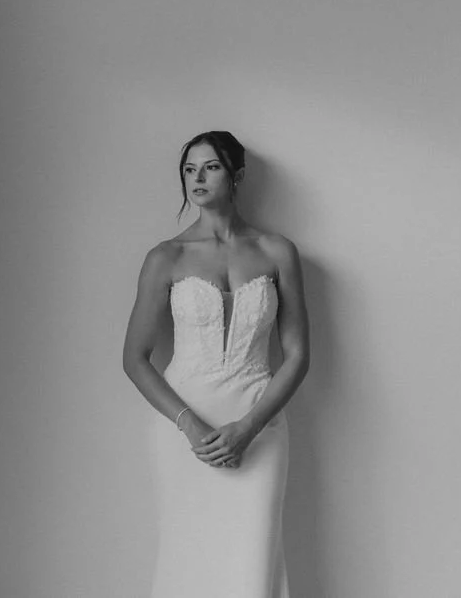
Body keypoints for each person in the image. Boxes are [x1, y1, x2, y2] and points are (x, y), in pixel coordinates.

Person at [122, 131, 310, 597]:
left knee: (254, 555)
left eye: (211, 167)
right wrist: (189, 425)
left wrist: (249, 427)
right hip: (185, 427)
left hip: (259, 421)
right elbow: (134, 358)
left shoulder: (277, 251)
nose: (197, 178)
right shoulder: (166, 256)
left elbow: (298, 355)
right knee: (187, 553)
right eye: (189, 169)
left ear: (237, 175)